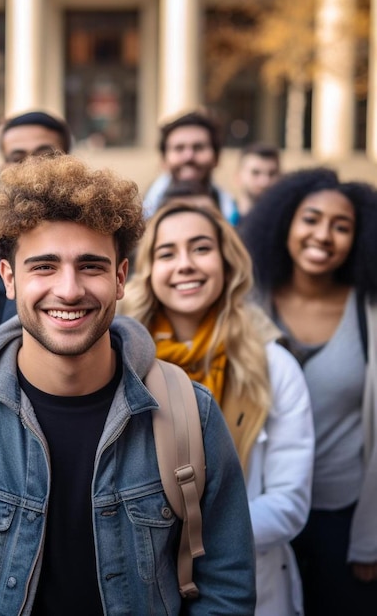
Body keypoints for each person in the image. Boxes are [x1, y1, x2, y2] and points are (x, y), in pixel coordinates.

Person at [0, 155, 256, 615]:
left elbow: (227, 591)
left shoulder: (192, 415)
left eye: (90, 266)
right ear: (9, 279)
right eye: (44, 267)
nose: (69, 290)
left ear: (120, 278)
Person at [120, 201, 314, 615]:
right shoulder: (118, 362)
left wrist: (176, 537)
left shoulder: (273, 366)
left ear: (228, 263)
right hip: (139, 587)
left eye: (201, 248)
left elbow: (289, 504)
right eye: (167, 253)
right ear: (147, 270)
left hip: (251, 586)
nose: (185, 264)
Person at [240, 167, 377, 615]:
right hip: (257, 513)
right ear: (285, 223)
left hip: (342, 516)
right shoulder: (246, 303)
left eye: (342, 226)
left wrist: (370, 537)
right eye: (311, 219)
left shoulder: (369, 311)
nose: (324, 235)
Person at [0, 110, 74, 339]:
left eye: (45, 155)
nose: (31, 166)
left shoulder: (103, 236)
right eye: (18, 158)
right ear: (3, 168)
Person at [143, 109, 239, 225]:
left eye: (198, 147)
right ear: (163, 160)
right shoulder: (141, 214)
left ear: (217, 158)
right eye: (179, 148)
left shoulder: (233, 213)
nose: (189, 157)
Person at [234, 143, 281, 218]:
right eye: (255, 173)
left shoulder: (288, 224)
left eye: (272, 174)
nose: (265, 182)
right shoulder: (223, 221)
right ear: (238, 177)